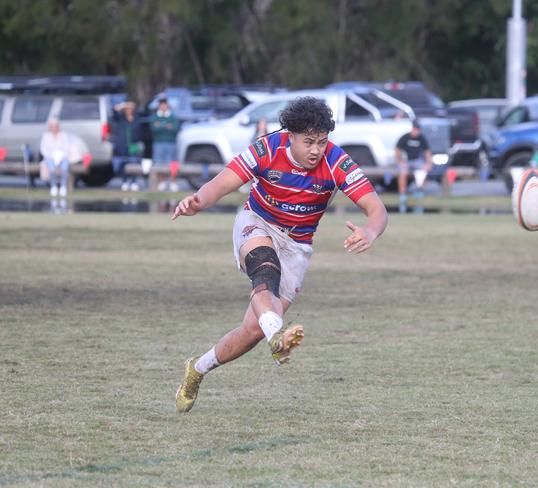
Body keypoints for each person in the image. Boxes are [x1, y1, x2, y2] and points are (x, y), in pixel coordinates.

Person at [172, 96, 388, 413]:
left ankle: (197, 369)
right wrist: (198, 201)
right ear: (290, 136)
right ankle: (278, 339)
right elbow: (223, 182)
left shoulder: (336, 161)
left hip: (297, 247)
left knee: (252, 329)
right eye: (309, 141)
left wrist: (370, 230)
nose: (316, 149)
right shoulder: (266, 149)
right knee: (264, 272)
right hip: (256, 222)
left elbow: (377, 209)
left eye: (322, 141)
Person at [395, 120, 433, 213]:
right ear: (413, 128)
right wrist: (399, 161)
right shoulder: (405, 137)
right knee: (403, 173)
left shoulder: (421, 138)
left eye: (419, 129)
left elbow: (427, 152)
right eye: (416, 129)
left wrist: (428, 163)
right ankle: (403, 195)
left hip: (417, 161)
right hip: (406, 161)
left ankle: (419, 192)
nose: (417, 131)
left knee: (423, 172)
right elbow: (397, 150)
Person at [111, 100, 143, 191]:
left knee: (134, 162)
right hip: (122, 145)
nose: (129, 110)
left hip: (133, 145)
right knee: (123, 164)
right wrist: (122, 105)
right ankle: (124, 181)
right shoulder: (120, 118)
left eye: (130, 108)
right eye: (127, 108)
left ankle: (133, 182)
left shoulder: (136, 118)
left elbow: (139, 132)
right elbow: (114, 111)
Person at [151, 97, 180, 191]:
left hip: (170, 143)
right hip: (158, 143)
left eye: (164, 104)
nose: (163, 106)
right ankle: (161, 182)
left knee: (171, 163)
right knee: (159, 162)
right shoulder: (155, 117)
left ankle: (172, 182)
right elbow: (153, 129)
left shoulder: (173, 117)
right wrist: (166, 126)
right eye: (161, 104)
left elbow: (175, 129)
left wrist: (161, 126)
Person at [40, 118, 73, 198]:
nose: (54, 128)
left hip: (62, 157)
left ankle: (63, 187)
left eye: (55, 126)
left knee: (64, 168)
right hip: (50, 157)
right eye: (52, 126)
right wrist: (51, 156)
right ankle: (53, 186)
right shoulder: (46, 136)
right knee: (52, 169)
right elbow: (43, 149)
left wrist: (60, 156)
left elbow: (67, 148)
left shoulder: (64, 135)